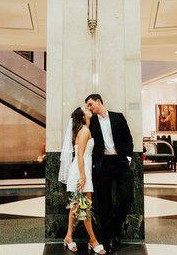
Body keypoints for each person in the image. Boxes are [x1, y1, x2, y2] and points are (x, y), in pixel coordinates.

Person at [85, 94, 134, 253]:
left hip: (120, 162)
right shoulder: (91, 122)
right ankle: (109, 238)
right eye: (88, 106)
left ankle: (116, 228)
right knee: (104, 203)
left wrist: (127, 158)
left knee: (128, 197)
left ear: (98, 102)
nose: (89, 108)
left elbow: (128, 139)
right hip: (102, 165)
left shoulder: (118, 117)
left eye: (91, 104)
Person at [58, 107, 106, 254]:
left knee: (76, 206)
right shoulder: (84, 131)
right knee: (85, 208)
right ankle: (92, 240)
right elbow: (79, 155)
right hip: (81, 173)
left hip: (81, 171)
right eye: (86, 110)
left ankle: (68, 236)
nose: (88, 110)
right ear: (83, 117)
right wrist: (83, 177)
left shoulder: (84, 129)